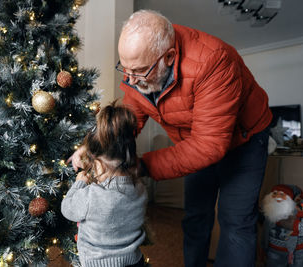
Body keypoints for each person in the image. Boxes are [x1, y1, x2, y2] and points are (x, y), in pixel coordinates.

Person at [69, 9, 272, 267]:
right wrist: (91, 148)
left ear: (169, 57)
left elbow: (209, 145)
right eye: (125, 69)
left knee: (236, 222)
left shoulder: (214, 61)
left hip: (246, 140)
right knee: (196, 216)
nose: (130, 80)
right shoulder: (140, 65)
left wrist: (137, 166)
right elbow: (128, 117)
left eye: (139, 71)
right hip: (195, 142)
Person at [61, 101, 148, 267]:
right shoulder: (140, 189)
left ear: (99, 164)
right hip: (134, 261)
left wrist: (79, 184)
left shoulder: (92, 195)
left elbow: (68, 209)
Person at [261, 184, 303, 267]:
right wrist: (264, 247)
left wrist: (288, 222)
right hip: (275, 251)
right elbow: (265, 232)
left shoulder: (300, 212)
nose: (277, 197)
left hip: (299, 251)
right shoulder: (269, 212)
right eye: (275, 193)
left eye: (282, 194)